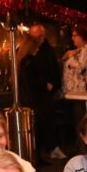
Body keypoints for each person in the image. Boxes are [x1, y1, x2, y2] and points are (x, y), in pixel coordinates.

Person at [18, 23, 63, 163]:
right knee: (37, 127)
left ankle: (39, 155)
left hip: (34, 98)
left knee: (39, 127)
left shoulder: (26, 59)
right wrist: (45, 84)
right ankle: (38, 157)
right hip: (35, 99)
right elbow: (34, 80)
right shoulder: (29, 61)